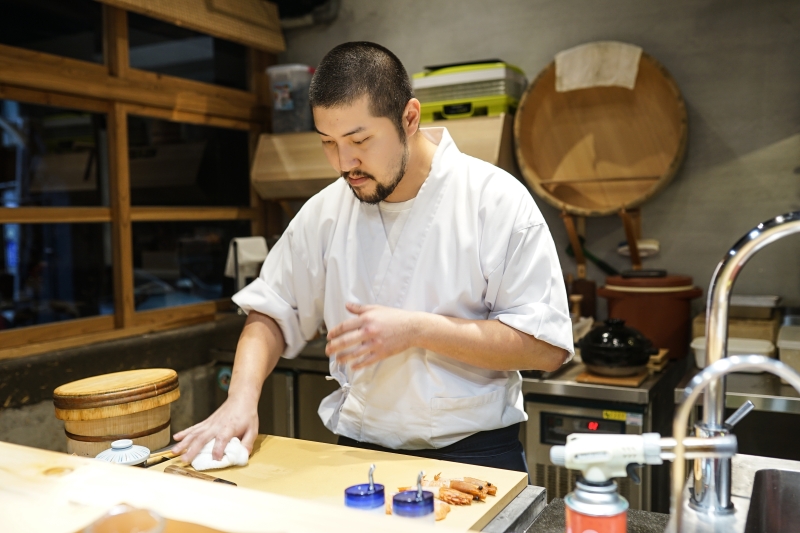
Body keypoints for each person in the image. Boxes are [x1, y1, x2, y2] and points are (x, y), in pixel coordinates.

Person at [173, 42, 573, 473]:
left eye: (360, 140)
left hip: (475, 456)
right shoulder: (326, 212)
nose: (345, 163)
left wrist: (419, 329)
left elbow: (546, 347)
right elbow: (270, 312)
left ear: (410, 118)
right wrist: (241, 400)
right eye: (328, 142)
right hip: (357, 454)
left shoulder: (495, 201)